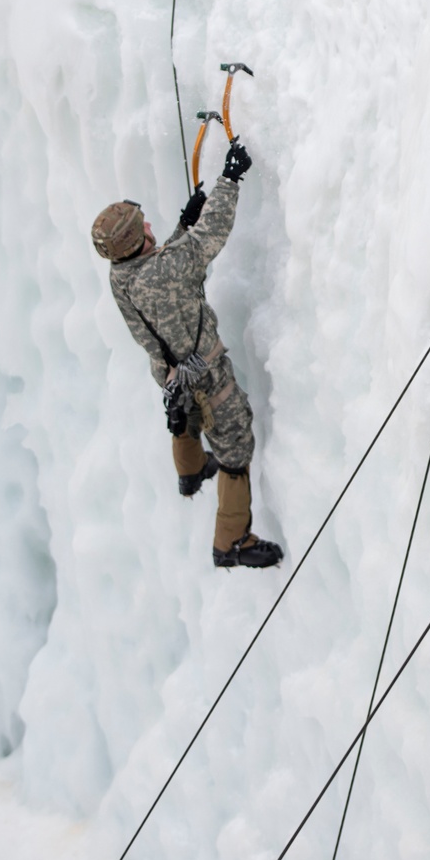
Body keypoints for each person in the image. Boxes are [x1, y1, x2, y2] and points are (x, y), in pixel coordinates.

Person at [91, 141, 282, 569]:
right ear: (139, 237)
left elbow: (165, 270)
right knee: (235, 446)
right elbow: (208, 238)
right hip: (206, 375)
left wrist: (182, 224)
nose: (149, 225)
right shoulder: (164, 269)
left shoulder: (120, 275)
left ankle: (191, 472)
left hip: (172, 372)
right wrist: (230, 179)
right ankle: (232, 542)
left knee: (185, 416)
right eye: (144, 225)